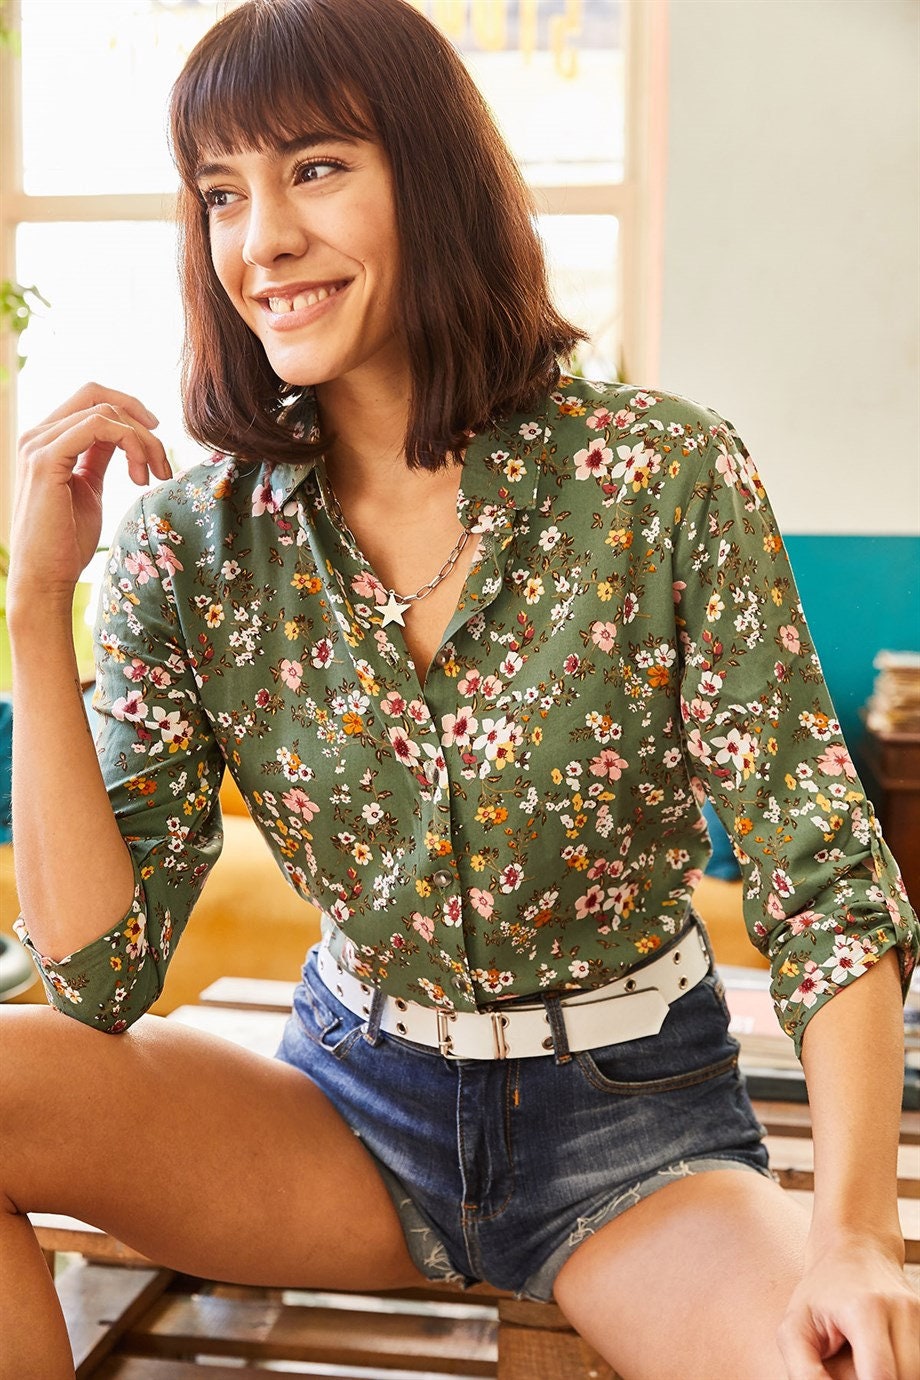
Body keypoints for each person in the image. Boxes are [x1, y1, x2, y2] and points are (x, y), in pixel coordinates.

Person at [3, 1, 918, 1376]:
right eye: (222, 193)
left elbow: (828, 891)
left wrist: (854, 1236)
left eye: (315, 168)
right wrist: (33, 611)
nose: (264, 241)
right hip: (339, 1116)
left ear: (429, 174)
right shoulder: (188, 548)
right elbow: (95, 980)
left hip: (633, 1136)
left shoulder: (660, 476)